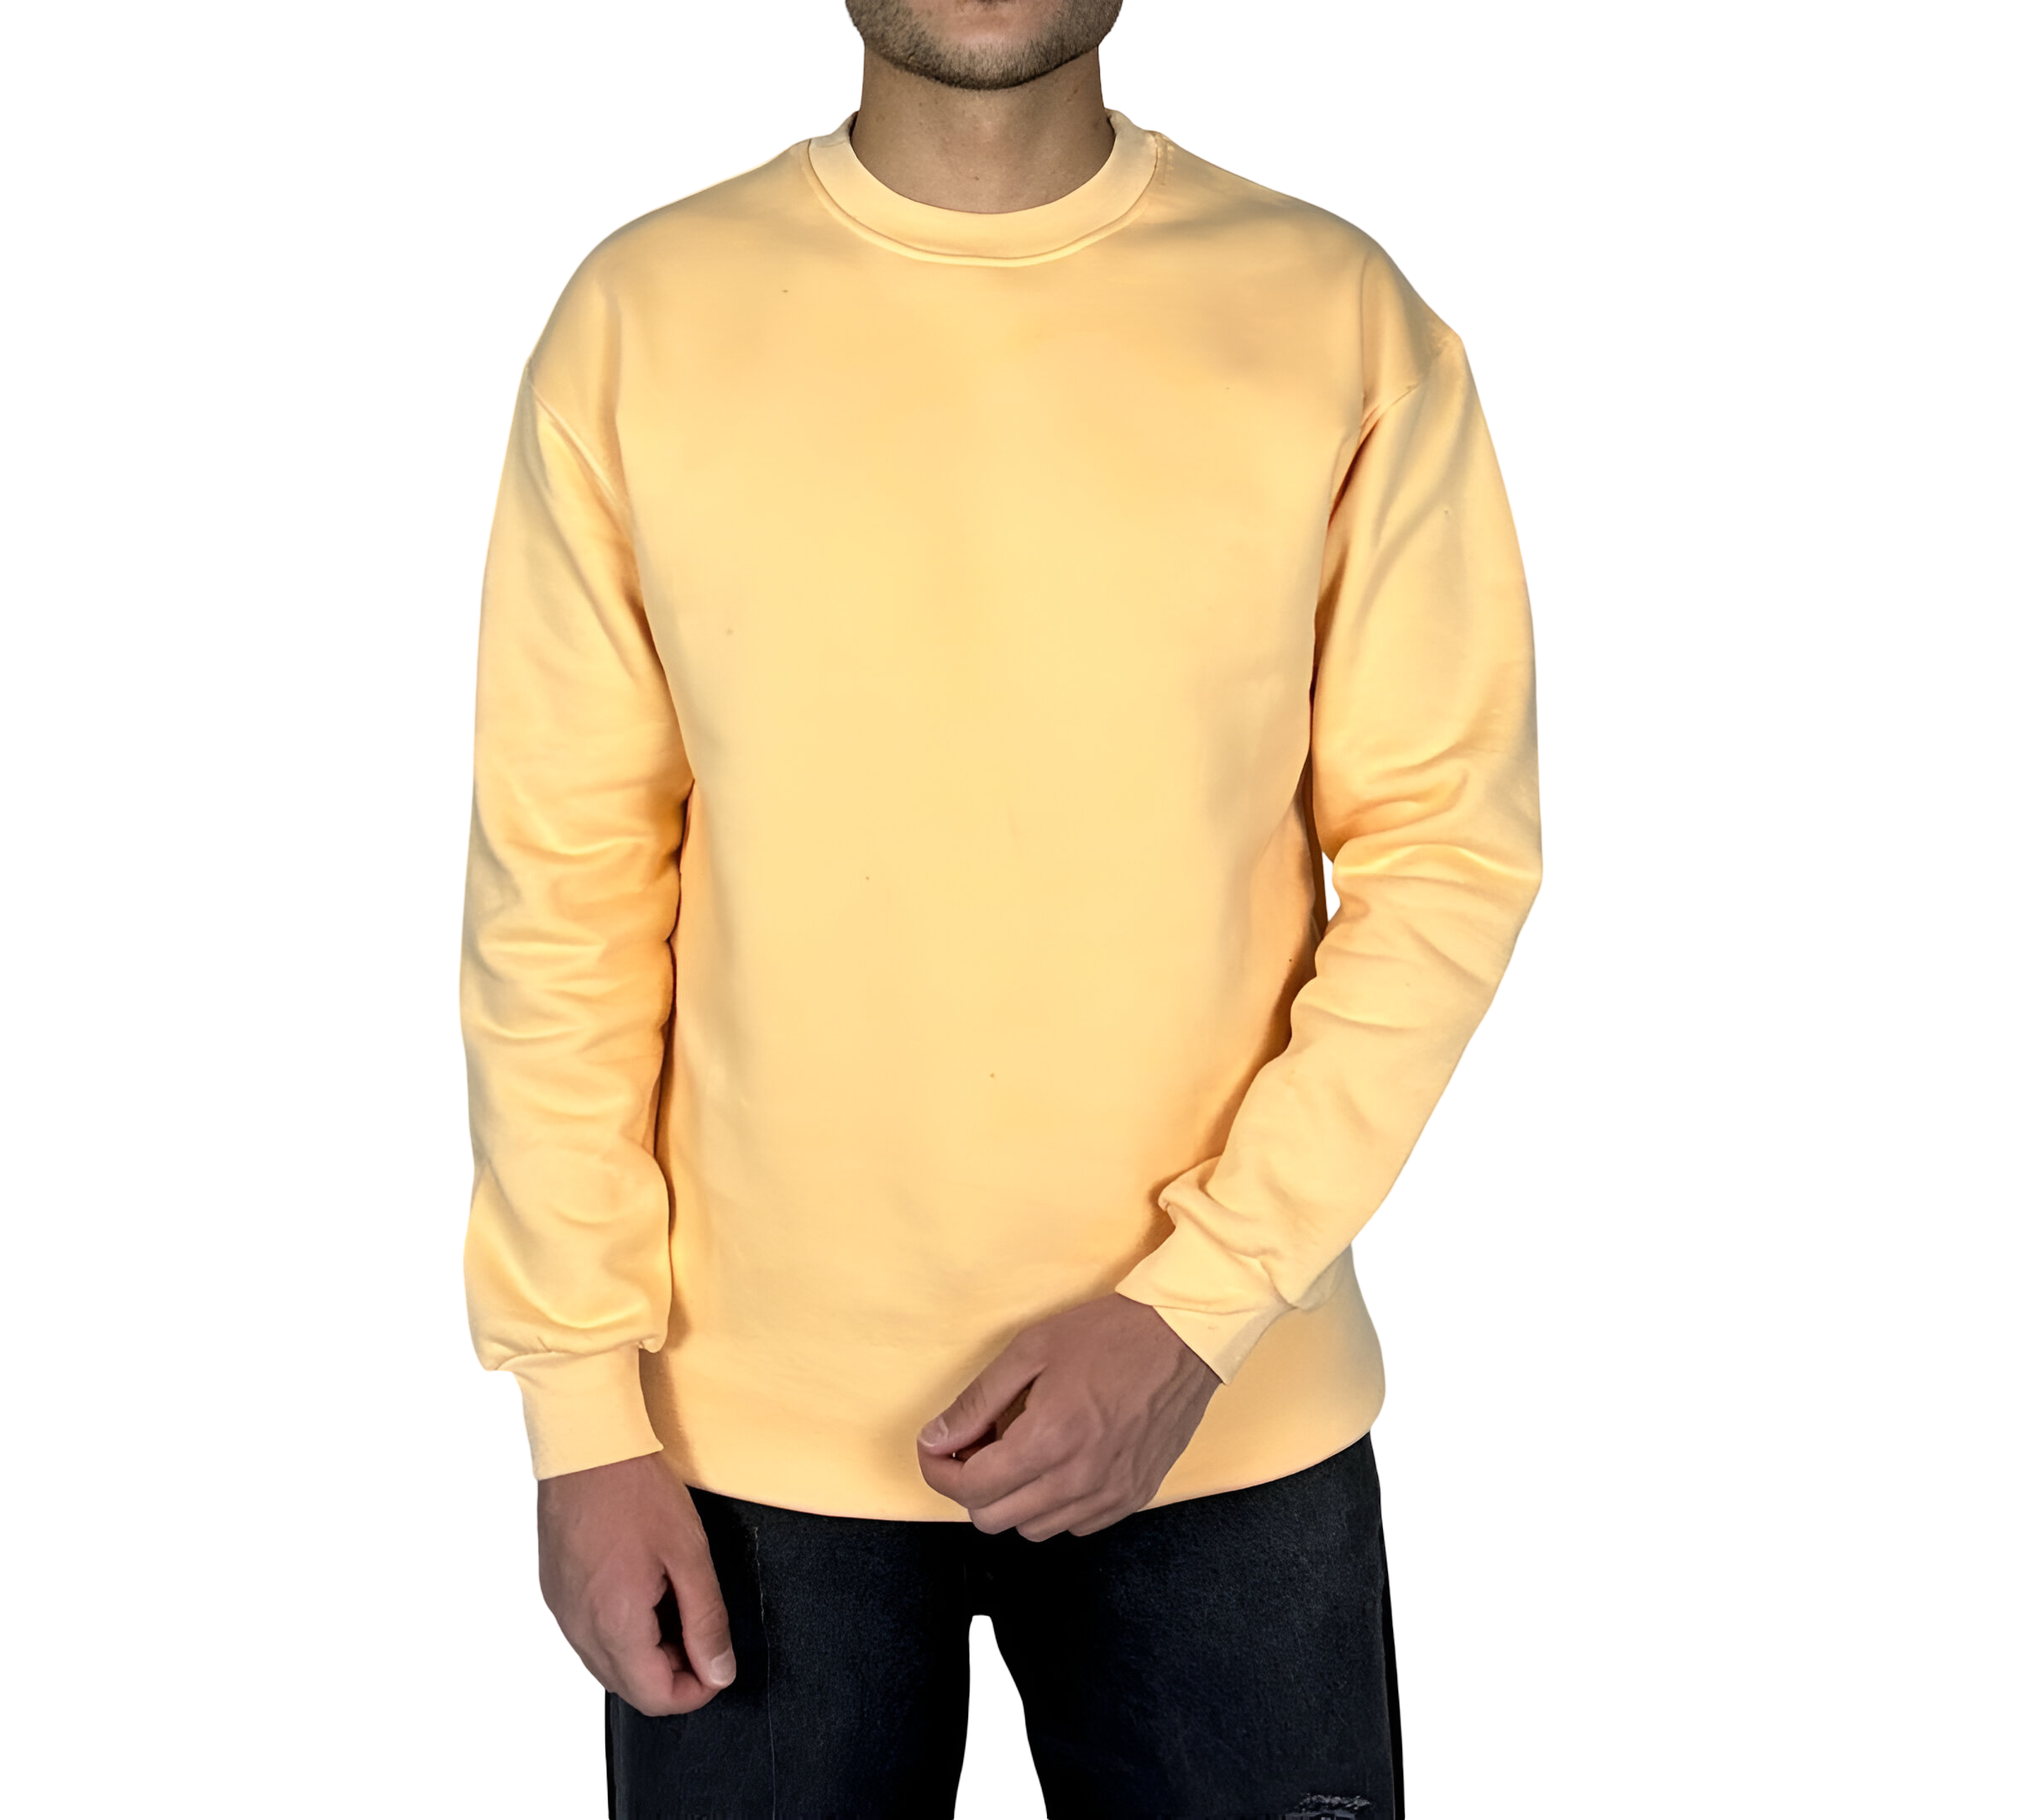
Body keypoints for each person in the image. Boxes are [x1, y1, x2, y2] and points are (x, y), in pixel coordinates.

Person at [458, 1, 1543, 1811]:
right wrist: (576, 1409)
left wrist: (1197, 1309)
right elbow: (559, 893)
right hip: (737, 1462)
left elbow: (1445, 856)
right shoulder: (640, 313)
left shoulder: (1339, 312)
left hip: (1233, 1428)